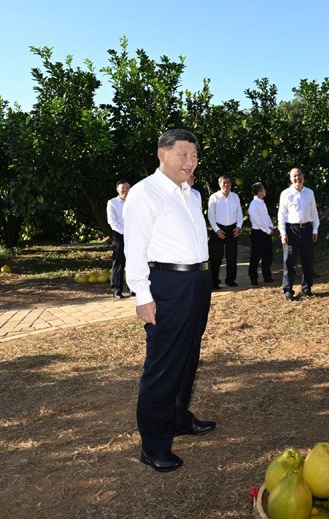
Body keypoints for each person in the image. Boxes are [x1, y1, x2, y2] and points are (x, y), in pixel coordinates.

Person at [123, 129, 216, 473]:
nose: (190, 162)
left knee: (189, 354)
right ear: (162, 154)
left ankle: (178, 418)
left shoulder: (191, 193)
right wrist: (142, 296)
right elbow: (135, 249)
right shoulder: (144, 193)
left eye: (195, 156)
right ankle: (153, 445)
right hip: (167, 284)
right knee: (163, 365)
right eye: (183, 155)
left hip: (198, 281)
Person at [277, 167, 319, 301]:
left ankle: (307, 288)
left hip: (307, 229)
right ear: (290, 179)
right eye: (294, 176)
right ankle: (288, 290)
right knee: (289, 261)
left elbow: (314, 212)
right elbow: (281, 215)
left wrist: (315, 229)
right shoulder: (286, 194)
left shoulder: (309, 192)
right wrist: (283, 232)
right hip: (291, 230)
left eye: (299, 175)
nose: (297, 178)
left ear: (303, 176)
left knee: (308, 261)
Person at [208, 175, 243, 289]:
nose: (226, 184)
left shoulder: (235, 197)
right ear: (219, 184)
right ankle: (214, 282)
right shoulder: (214, 197)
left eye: (228, 182)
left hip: (232, 229)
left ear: (231, 184)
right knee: (215, 257)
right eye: (224, 182)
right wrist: (216, 230)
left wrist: (239, 226)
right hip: (218, 229)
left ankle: (230, 280)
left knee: (232, 256)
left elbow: (239, 213)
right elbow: (211, 215)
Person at [247, 182, 275, 285]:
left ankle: (267, 275)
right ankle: (253, 277)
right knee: (256, 256)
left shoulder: (262, 203)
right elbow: (257, 220)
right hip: (258, 233)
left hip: (266, 232)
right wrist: (267, 230)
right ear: (259, 192)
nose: (265, 191)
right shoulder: (253, 204)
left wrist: (271, 226)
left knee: (268, 255)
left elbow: (266, 217)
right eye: (263, 189)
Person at [107, 179, 130, 299]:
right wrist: (125, 232)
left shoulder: (134, 202)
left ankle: (133, 288)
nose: (125, 191)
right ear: (117, 190)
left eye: (127, 188)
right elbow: (112, 222)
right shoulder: (112, 202)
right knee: (118, 262)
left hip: (133, 235)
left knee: (133, 262)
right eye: (123, 188)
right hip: (119, 234)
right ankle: (116, 289)